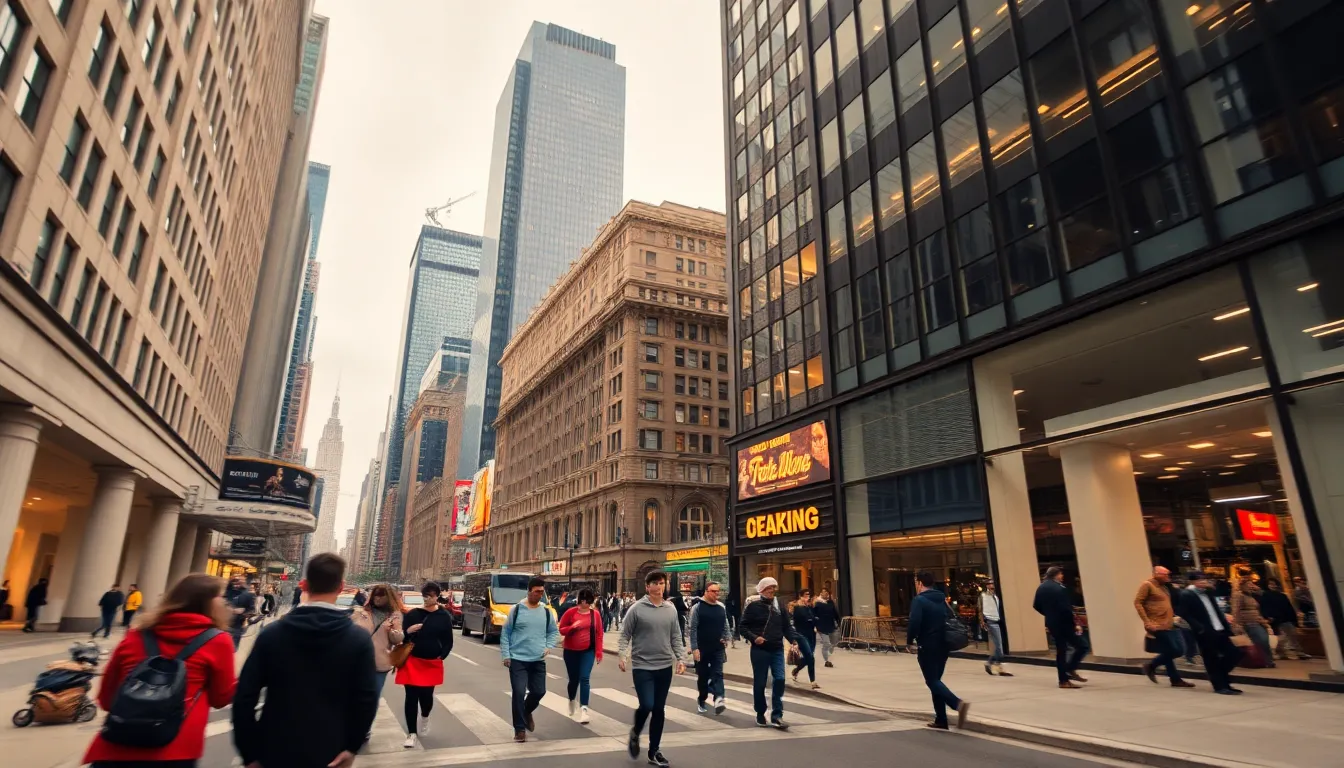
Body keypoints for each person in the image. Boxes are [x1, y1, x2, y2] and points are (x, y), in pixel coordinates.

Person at [233, 553, 379, 768]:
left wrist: (249, 754)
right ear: (341, 587)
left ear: (304, 585)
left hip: (274, 749)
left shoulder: (272, 634)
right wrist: (351, 746)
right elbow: (367, 698)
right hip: (330, 750)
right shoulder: (358, 639)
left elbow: (245, 697)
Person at [82, 574, 237, 768]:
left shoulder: (136, 635)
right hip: (177, 748)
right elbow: (220, 698)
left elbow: (106, 699)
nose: (225, 603)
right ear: (209, 602)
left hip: (118, 745)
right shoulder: (218, 641)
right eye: (221, 597)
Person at [618, 571, 686, 768]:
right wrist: (622, 655)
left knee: (658, 709)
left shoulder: (670, 609)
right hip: (642, 666)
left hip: (664, 665)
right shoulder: (637, 609)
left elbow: (676, 636)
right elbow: (625, 634)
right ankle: (635, 732)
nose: (658, 586)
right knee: (647, 705)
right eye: (654, 583)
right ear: (647, 587)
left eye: (662, 583)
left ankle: (654, 751)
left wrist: (681, 658)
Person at [906, 570, 971, 731]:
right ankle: (941, 719)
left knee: (932, 681)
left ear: (919, 583)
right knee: (936, 681)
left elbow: (914, 622)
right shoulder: (942, 599)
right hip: (943, 644)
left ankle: (957, 704)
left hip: (927, 645)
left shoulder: (919, 600)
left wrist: (909, 641)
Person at [500, 577, 560, 743]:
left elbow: (553, 632)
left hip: (537, 659)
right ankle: (519, 729)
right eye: (537, 592)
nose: (540, 595)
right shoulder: (517, 610)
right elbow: (506, 633)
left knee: (539, 691)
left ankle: (526, 711)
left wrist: (548, 646)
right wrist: (506, 655)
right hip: (517, 659)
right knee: (519, 693)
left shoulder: (546, 612)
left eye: (542, 592)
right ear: (529, 591)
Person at [397, 581, 456, 748]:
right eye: (424, 596)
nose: (427, 599)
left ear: (437, 596)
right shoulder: (412, 614)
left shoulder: (443, 616)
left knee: (426, 697)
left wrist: (441, 656)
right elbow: (402, 638)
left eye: (430, 596)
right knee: (411, 697)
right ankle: (411, 733)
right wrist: (408, 631)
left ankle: (425, 716)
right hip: (412, 660)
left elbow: (448, 641)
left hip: (431, 662)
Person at [738, 577, 800, 730]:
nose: (771, 590)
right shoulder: (753, 606)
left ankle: (777, 715)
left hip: (777, 648)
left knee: (780, 679)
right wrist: (754, 638)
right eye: (768, 588)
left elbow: (786, 626)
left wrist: (793, 640)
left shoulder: (780, 606)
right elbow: (742, 627)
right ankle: (760, 712)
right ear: (761, 590)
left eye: (773, 587)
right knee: (760, 682)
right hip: (760, 650)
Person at [1176, 571, 1242, 695]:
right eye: (1199, 580)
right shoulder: (1187, 594)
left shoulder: (1208, 592)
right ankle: (1220, 685)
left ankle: (1222, 678)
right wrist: (1199, 627)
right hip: (1205, 631)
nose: (1203, 582)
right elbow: (1184, 613)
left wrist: (1226, 625)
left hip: (1220, 628)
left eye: (1204, 579)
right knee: (1211, 658)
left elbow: (1217, 610)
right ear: (1192, 582)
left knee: (1234, 653)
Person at [1134, 566, 1194, 688]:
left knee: (1171, 650)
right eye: (1165, 574)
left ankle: (1172, 677)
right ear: (1156, 574)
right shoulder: (1147, 585)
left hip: (1169, 623)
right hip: (1156, 624)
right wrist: (1147, 622)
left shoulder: (1164, 587)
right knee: (1176, 650)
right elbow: (1138, 602)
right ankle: (1153, 666)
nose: (1168, 577)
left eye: (1168, 574)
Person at [1033, 566, 1087, 689]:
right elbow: (1066, 609)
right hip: (1064, 623)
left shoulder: (1041, 588)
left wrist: (1049, 614)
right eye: (1061, 574)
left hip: (1052, 623)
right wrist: (1075, 624)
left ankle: (1063, 679)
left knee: (1061, 651)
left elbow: (1036, 605)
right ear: (1056, 575)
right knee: (1083, 646)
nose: (1062, 576)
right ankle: (1069, 669)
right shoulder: (1059, 588)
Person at [558, 587, 603, 724]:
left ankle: (584, 710)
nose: (584, 603)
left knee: (584, 678)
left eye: (586, 601)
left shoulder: (595, 614)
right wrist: (572, 628)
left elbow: (599, 633)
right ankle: (572, 699)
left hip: (588, 650)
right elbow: (561, 629)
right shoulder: (570, 612)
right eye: (582, 600)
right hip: (571, 651)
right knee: (573, 680)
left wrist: (599, 651)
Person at [350, 584, 405, 690]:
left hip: (379, 662)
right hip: (359, 660)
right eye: (376, 595)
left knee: (374, 694)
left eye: (381, 596)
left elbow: (397, 639)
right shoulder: (361, 612)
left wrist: (394, 632)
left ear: (388, 597)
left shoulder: (395, 615)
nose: (378, 598)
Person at [689, 580, 730, 715]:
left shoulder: (721, 607)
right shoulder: (698, 608)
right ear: (706, 592)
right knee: (703, 676)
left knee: (718, 674)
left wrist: (726, 638)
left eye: (718, 591)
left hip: (717, 647)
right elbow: (692, 629)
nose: (716, 594)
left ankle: (719, 699)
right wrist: (694, 648)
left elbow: (725, 624)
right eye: (713, 591)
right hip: (702, 648)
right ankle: (702, 699)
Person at [1230, 572, 1274, 668]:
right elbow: (1235, 610)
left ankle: (1266, 661)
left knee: (1262, 641)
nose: (1251, 586)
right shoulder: (1239, 595)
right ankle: (1266, 661)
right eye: (1249, 584)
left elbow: (1257, 609)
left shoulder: (1251, 596)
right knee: (1261, 641)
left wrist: (1265, 624)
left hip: (1256, 621)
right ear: (1242, 585)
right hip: (1248, 623)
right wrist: (1237, 624)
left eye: (1252, 584)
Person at [1260, 578, 1309, 661]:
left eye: (1274, 584)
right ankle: (1282, 652)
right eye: (1271, 584)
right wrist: (1268, 617)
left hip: (1286, 618)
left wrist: (1293, 618)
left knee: (1292, 634)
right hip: (1276, 619)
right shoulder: (1265, 595)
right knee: (1282, 637)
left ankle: (1298, 652)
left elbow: (1289, 607)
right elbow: (1264, 608)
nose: (1273, 586)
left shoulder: (1282, 596)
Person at [978, 580, 1011, 676]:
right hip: (990, 621)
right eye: (989, 584)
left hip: (997, 620)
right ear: (986, 586)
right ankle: (993, 663)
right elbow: (980, 609)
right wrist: (982, 621)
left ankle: (993, 664)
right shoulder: (983, 596)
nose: (991, 585)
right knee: (999, 647)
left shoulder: (996, 596)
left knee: (999, 646)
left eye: (992, 584)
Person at [788, 589, 819, 689]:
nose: (808, 597)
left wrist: (814, 621)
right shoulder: (797, 607)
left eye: (809, 595)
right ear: (801, 596)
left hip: (811, 634)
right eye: (806, 595)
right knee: (810, 656)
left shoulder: (809, 606)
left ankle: (796, 670)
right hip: (801, 635)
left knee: (809, 657)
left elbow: (814, 618)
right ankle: (813, 681)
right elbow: (800, 620)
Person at [225, 577, 256, 649]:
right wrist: (231, 610)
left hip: (237, 625)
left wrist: (244, 612)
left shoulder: (248, 595)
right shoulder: (227, 592)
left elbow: (252, 610)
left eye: (240, 581)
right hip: (224, 624)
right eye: (235, 581)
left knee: (233, 648)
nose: (237, 583)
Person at [812, 588, 840, 668]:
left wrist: (838, 622)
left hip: (831, 625)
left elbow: (835, 613)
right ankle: (826, 660)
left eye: (826, 592)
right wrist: (815, 625)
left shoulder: (830, 602)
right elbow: (813, 614)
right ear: (821, 593)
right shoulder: (817, 603)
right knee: (826, 643)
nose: (825, 593)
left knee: (833, 643)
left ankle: (829, 656)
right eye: (823, 592)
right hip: (821, 626)